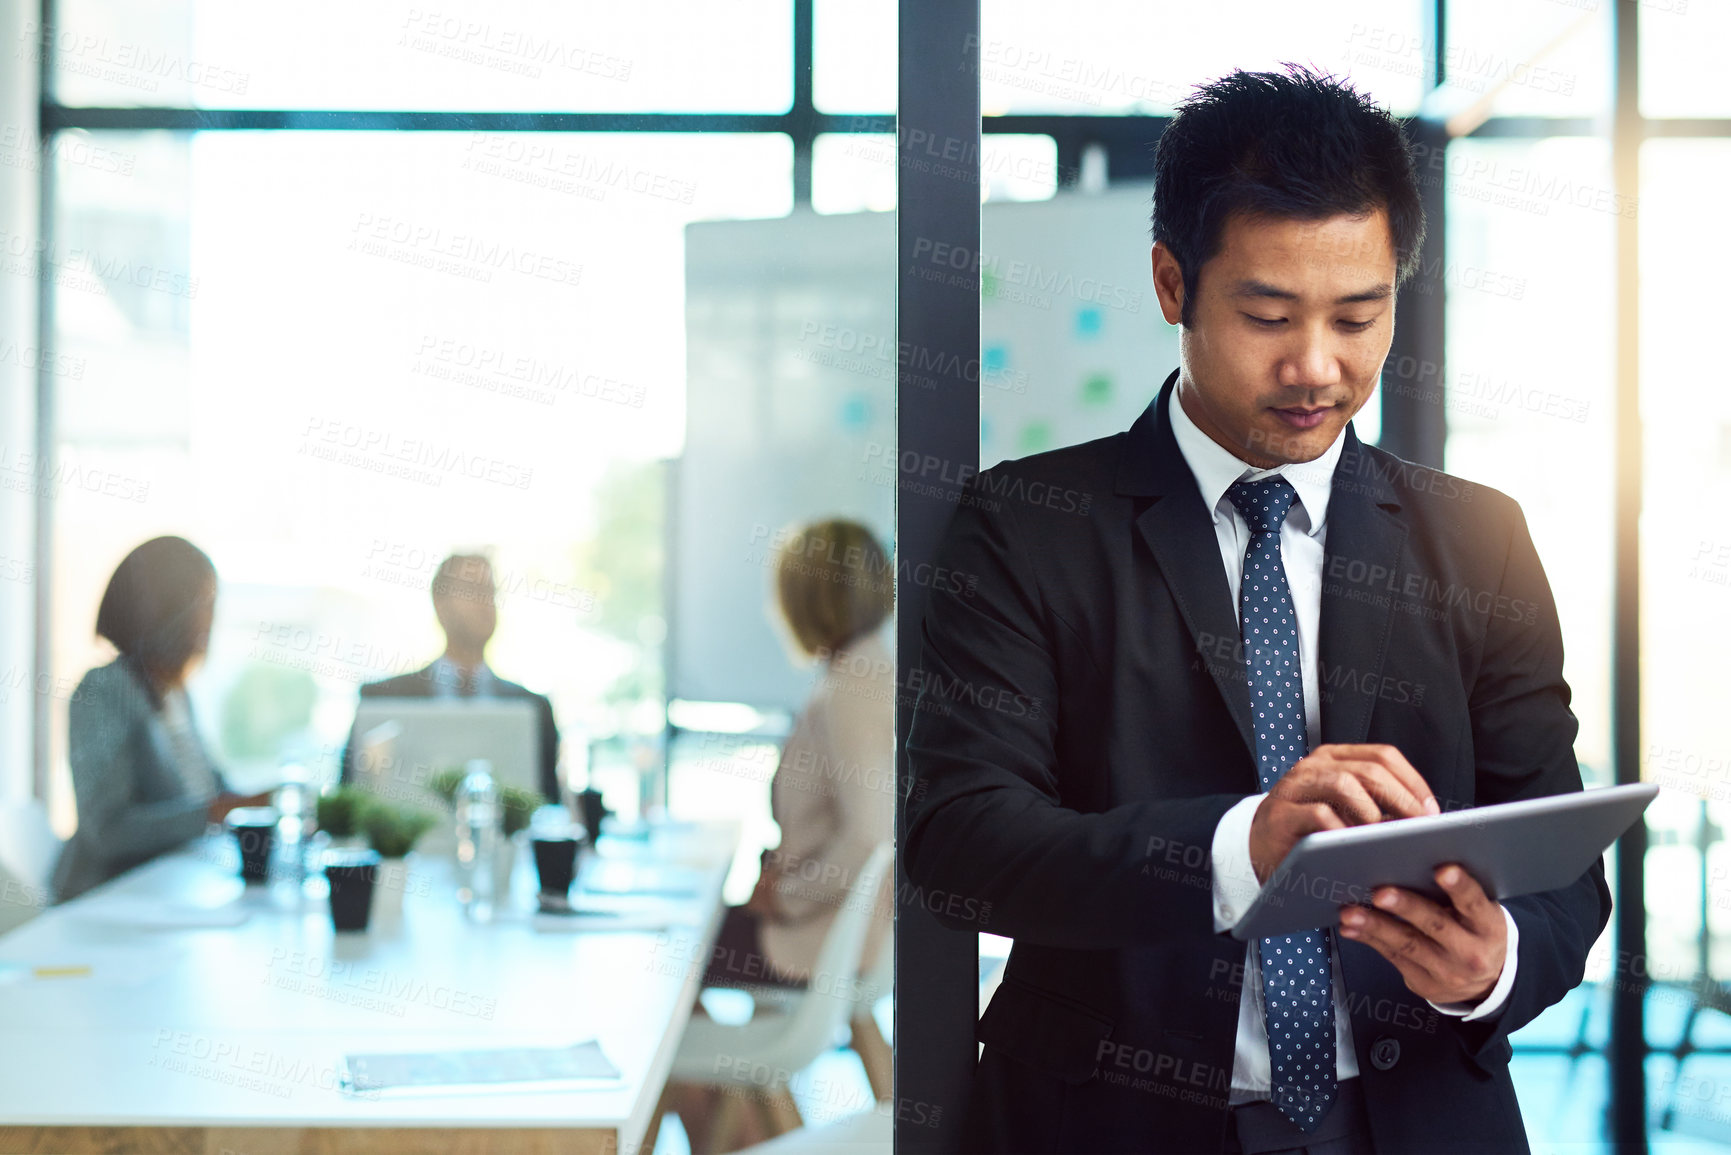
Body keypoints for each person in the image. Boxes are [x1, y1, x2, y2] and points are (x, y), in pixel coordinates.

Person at [902, 64, 1611, 1155]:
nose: (1316, 366)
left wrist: (1494, 965)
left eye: (1359, 316)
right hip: (1109, 1125)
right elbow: (960, 842)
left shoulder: (1478, 538)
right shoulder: (1027, 524)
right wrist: (1242, 846)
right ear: (1172, 283)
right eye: (1268, 315)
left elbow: (1563, 873)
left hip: (1417, 1119)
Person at [704, 517, 895, 989]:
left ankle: (702, 1063)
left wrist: (785, 898)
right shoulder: (860, 669)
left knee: (677, 949)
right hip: (824, 924)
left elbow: (870, 836)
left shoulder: (853, 687)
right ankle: (707, 1061)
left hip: (816, 936)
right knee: (692, 938)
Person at [52, 536, 271, 903]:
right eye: (204, 602)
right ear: (165, 610)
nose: (211, 617)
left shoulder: (176, 691)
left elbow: (211, 787)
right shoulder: (106, 690)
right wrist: (215, 812)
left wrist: (254, 801)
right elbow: (106, 831)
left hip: (173, 890)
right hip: (107, 899)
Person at [341, 553, 560, 803]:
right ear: (439, 603)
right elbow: (351, 802)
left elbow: (551, 810)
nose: (485, 603)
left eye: (490, 592)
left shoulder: (533, 708)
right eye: (472, 591)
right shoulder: (382, 699)